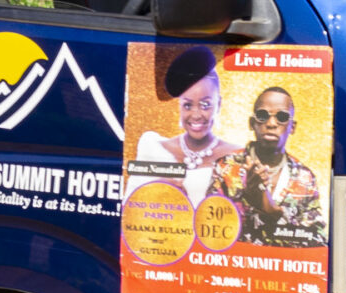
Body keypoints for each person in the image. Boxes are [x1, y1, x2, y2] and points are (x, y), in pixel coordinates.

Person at [206, 85, 326, 247]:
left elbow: (317, 241)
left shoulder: (305, 178)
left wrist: (273, 212)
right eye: (262, 115)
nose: (271, 123)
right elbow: (207, 231)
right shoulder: (225, 168)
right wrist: (248, 198)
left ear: (292, 127)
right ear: (251, 123)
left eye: (282, 117)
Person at [134, 46, 240, 179]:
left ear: (218, 104)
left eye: (205, 105)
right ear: (179, 105)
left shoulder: (236, 156)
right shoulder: (154, 148)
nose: (196, 115)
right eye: (188, 105)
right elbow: (133, 198)